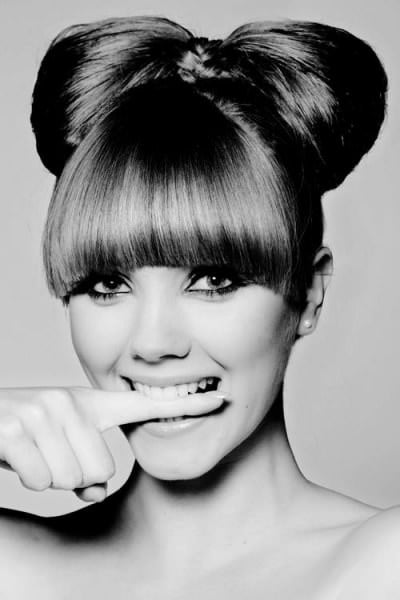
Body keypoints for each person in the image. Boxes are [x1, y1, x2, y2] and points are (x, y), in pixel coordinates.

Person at [0, 15, 395, 598]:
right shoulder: (12, 567)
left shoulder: (382, 566)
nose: (153, 343)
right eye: (108, 284)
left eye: (213, 279)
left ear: (310, 292)